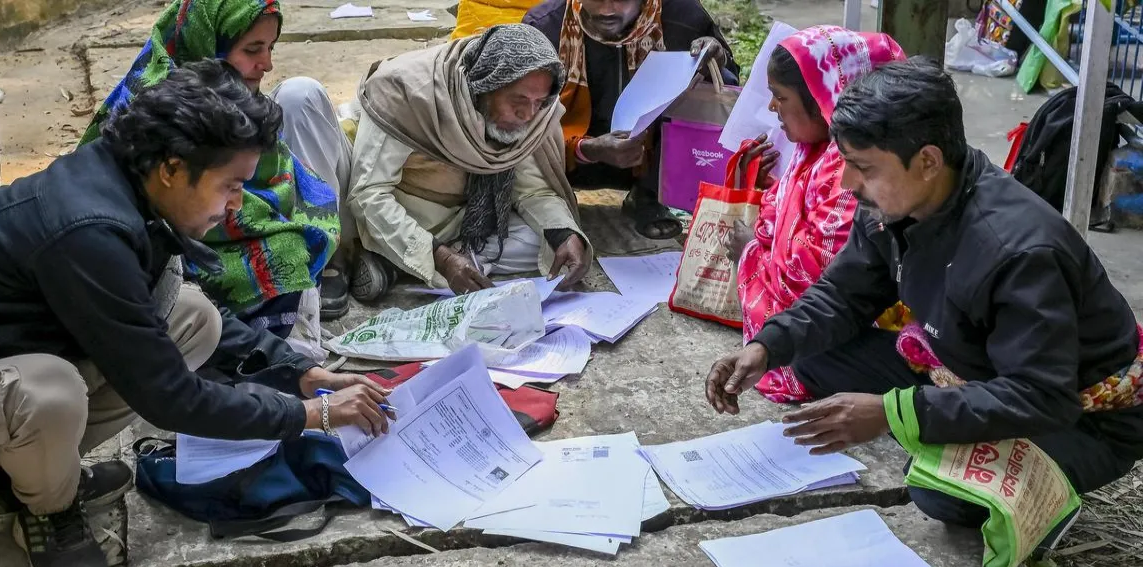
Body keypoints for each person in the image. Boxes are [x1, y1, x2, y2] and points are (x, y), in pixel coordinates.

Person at [0, 61, 391, 567]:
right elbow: (168, 396)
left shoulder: (124, 183)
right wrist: (310, 415)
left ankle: (16, 483)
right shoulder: (90, 231)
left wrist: (298, 372)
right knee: (47, 392)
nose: (237, 204)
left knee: (192, 317)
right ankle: (48, 507)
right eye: (231, 186)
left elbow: (162, 320)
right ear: (173, 169)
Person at [705, 59, 1143, 536]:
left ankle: (1048, 494)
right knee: (808, 356)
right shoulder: (891, 204)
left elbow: (1041, 396)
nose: (848, 183)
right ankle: (949, 431)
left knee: (938, 493)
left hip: (1079, 418)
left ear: (929, 161)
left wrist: (893, 414)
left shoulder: (1019, 251)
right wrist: (766, 346)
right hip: (968, 368)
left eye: (863, 167)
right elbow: (843, 295)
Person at [81, 0, 357, 332]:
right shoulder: (160, 110)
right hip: (166, 249)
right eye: (252, 49)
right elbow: (176, 213)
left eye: (270, 48)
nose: (267, 64)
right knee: (285, 252)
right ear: (206, 41)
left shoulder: (235, 101)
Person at [725, 26, 907, 404]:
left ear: (824, 97)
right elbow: (774, 214)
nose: (772, 107)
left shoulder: (850, 170)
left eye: (780, 97)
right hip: (822, 312)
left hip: (860, 323)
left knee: (805, 355)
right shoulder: (812, 152)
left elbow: (810, 283)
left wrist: (751, 254)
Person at [346, 24, 592, 299]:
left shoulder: (536, 115)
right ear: (485, 86)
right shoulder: (407, 93)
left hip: (465, 218)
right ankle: (421, 257)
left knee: (547, 244)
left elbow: (533, 190)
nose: (527, 114)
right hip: (402, 207)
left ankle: (397, 263)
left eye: (538, 101)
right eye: (518, 100)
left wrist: (563, 235)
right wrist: (443, 258)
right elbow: (368, 194)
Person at [524, 0, 738, 240]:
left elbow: (728, 84)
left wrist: (716, 59)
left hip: (652, 162)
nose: (607, 10)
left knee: (717, 82)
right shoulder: (545, 26)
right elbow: (519, 118)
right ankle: (555, 195)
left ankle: (647, 195)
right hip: (573, 159)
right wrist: (586, 149)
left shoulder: (682, 16)